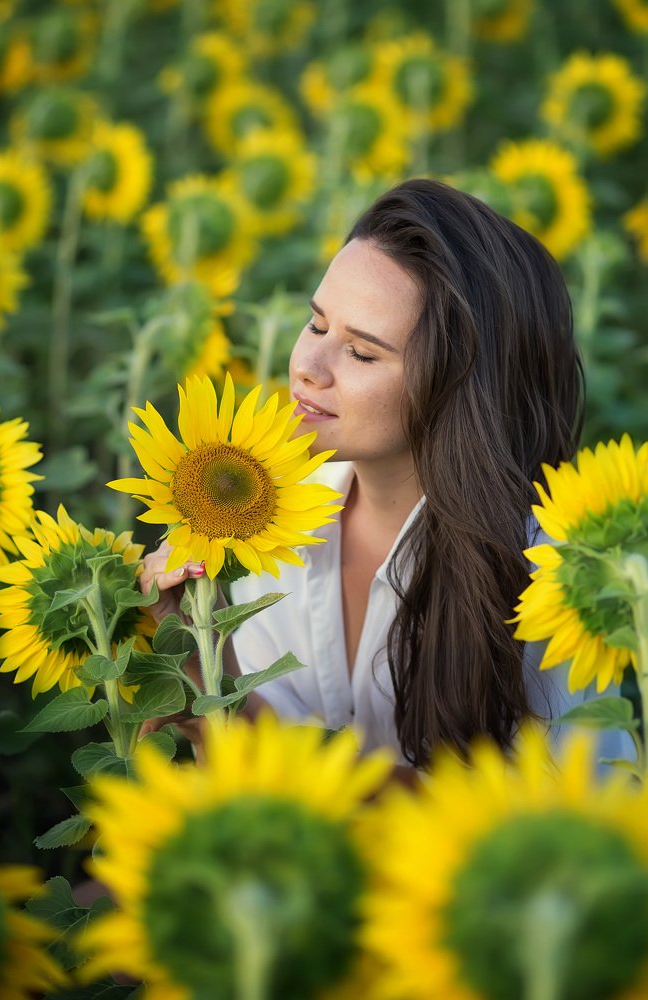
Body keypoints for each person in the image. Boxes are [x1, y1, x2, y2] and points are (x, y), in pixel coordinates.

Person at [141, 178, 629, 771]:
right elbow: (258, 762)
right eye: (316, 325)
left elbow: (578, 807)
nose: (308, 368)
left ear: (457, 388)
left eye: (362, 352)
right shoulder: (269, 517)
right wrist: (200, 671)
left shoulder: (548, 577)